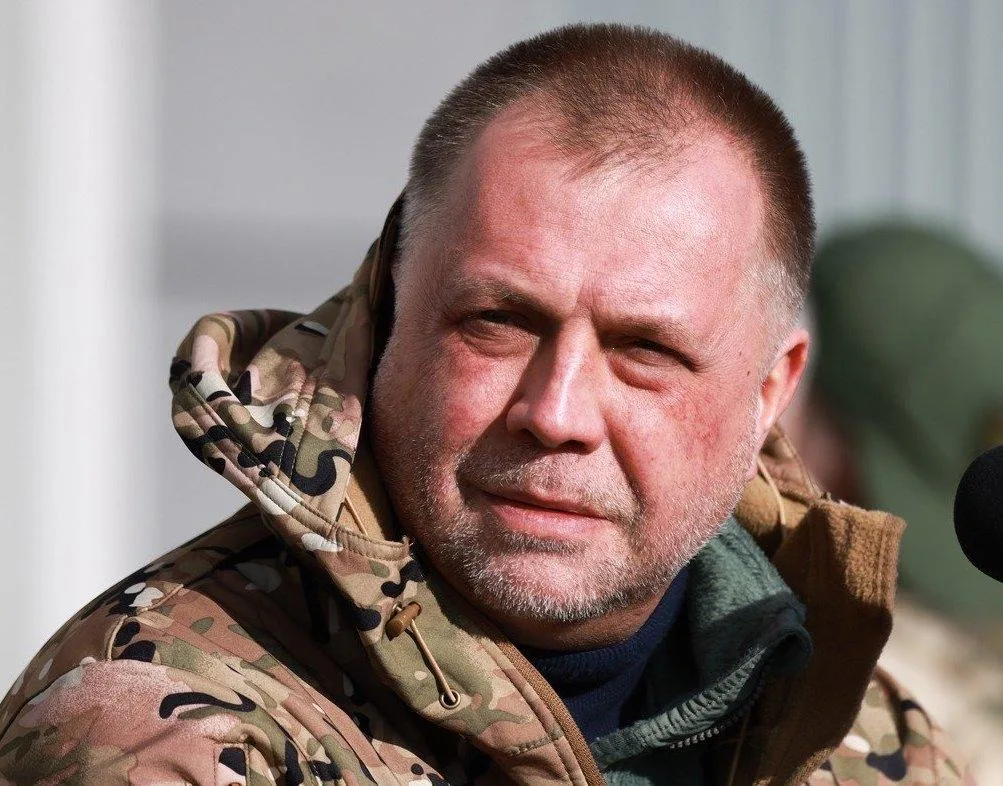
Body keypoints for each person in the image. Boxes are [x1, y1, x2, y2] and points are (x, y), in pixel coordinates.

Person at [0, 24, 972, 785]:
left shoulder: (862, 741)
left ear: (770, 393)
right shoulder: (167, 730)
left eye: (644, 351)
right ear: (392, 315)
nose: (556, 413)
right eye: (498, 323)